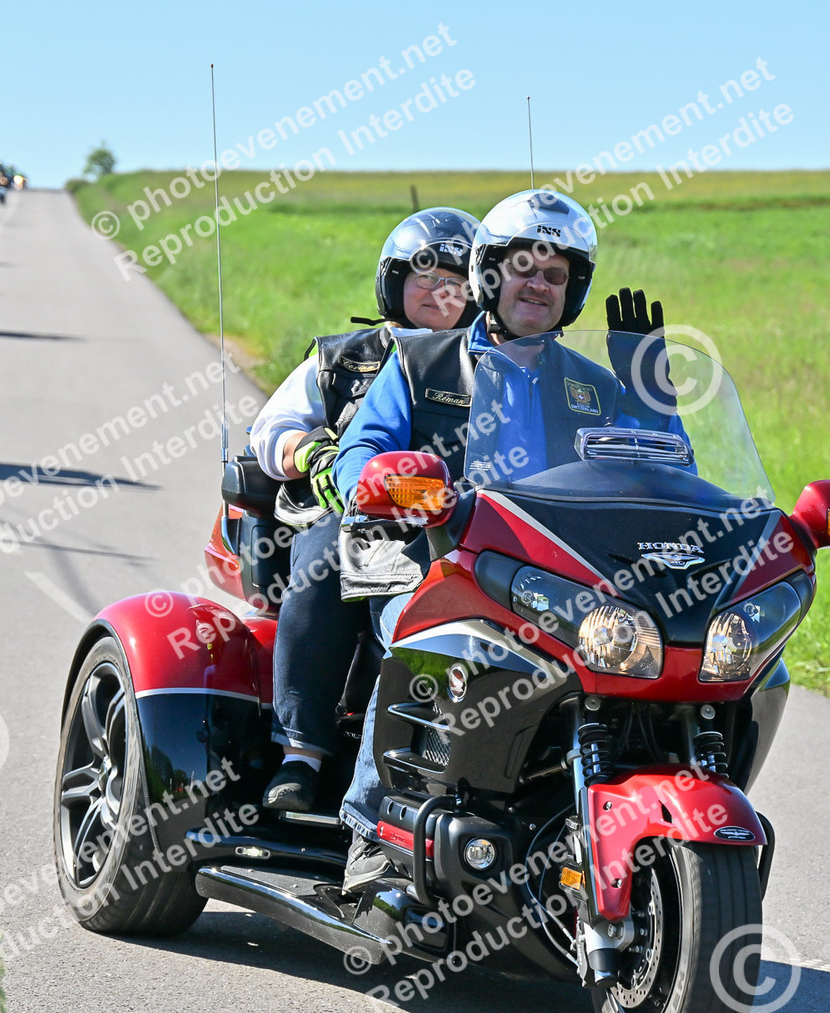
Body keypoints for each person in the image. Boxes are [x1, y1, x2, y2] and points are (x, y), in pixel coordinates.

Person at [328, 188, 672, 892]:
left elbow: (662, 476)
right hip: (431, 559)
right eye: (524, 268)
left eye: (556, 274)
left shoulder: (595, 387)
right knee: (419, 639)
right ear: (489, 273)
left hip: (556, 578)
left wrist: (650, 395)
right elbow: (359, 452)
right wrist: (389, 482)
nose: (539, 284)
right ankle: (372, 827)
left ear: (573, 292)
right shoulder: (423, 361)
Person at [250, 207, 480, 812]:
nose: (439, 290)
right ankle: (302, 753)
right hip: (351, 512)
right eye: (425, 275)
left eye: (455, 280)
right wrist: (315, 455)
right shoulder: (342, 357)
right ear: (392, 281)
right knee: (326, 562)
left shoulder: (492, 363)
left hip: (462, 521)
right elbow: (270, 430)